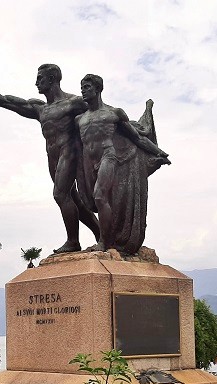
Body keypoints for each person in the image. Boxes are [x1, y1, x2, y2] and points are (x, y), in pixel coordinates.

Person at [0, 65, 100, 253]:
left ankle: (73, 242)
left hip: (70, 153)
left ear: (52, 79)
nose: (36, 82)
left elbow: (100, 113)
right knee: (73, 199)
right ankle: (100, 233)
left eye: (40, 78)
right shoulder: (40, 108)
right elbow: (5, 101)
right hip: (53, 158)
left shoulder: (73, 103)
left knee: (60, 195)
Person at [75, 74, 170, 255]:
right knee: (96, 200)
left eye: (86, 87)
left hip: (108, 156)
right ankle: (107, 237)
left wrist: (158, 152)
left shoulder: (114, 113)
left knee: (100, 196)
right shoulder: (79, 119)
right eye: (82, 87)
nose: (83, 91)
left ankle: (105, 242)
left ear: (97, 89)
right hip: (89, 162)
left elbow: (136, 137)